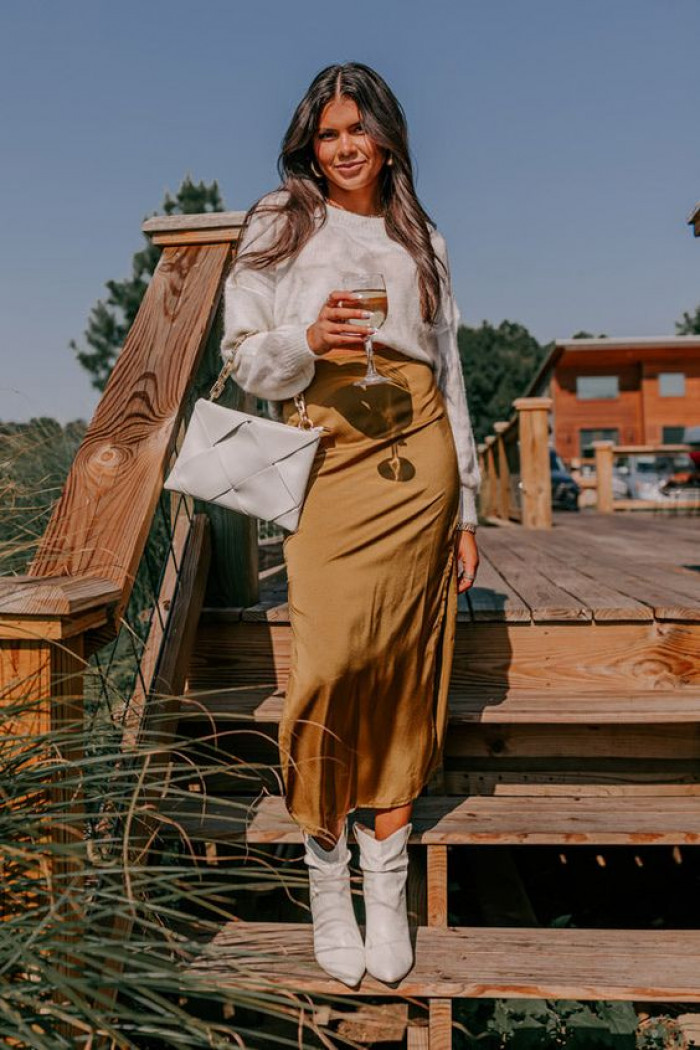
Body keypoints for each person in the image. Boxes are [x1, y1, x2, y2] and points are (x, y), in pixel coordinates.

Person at [221, 62, 480, 988]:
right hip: (327, 453)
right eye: (329, 134)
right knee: (329, 664)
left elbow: (449, 374)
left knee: (406, 669)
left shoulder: (424, 237)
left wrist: (469, 508)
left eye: (358, 131)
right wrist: (309, 342)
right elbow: (246, 357)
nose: (345, 147)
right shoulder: (278, 224)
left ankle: (387, 877)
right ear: (310, 142)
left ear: (388, 138)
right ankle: (324, 869)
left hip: (421, 455)